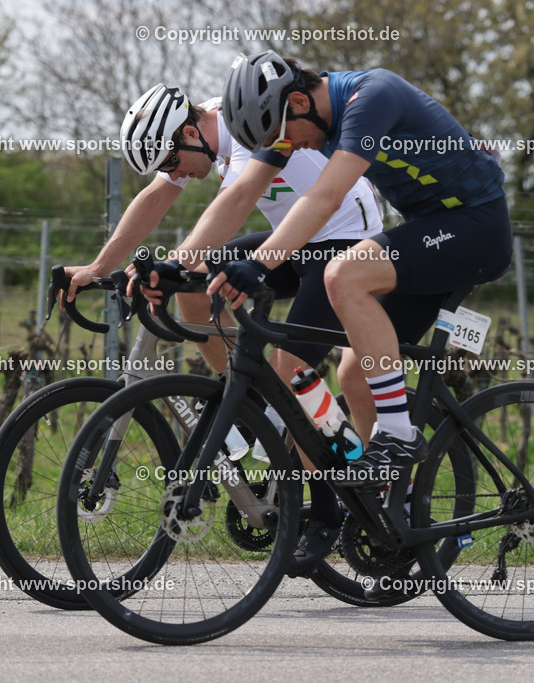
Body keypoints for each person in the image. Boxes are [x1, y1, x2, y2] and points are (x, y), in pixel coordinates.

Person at [63, 83, 384, 573]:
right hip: (291, 238)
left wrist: (167, 264)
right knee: (194, 285)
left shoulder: (240, 124)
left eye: (172, 161)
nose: (175, 175)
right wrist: (98, 265)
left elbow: (234, 201)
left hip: (341, 235)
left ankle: (324, 510)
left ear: (191, 132)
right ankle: (250, 404)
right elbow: (157, 195)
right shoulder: (195, 132)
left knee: (292, 366)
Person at [187, 52, 511, 493]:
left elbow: (325, 198)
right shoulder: (296, 118)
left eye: (286, 137)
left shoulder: (372, 97)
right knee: (354, 372)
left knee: (343, 275)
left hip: (477, 227)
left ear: (299, 103)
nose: (292, 147)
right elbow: (244, 191)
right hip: (429, 232)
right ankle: (390, 508)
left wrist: (260, 262)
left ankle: (398, 436)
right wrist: (180, 261)